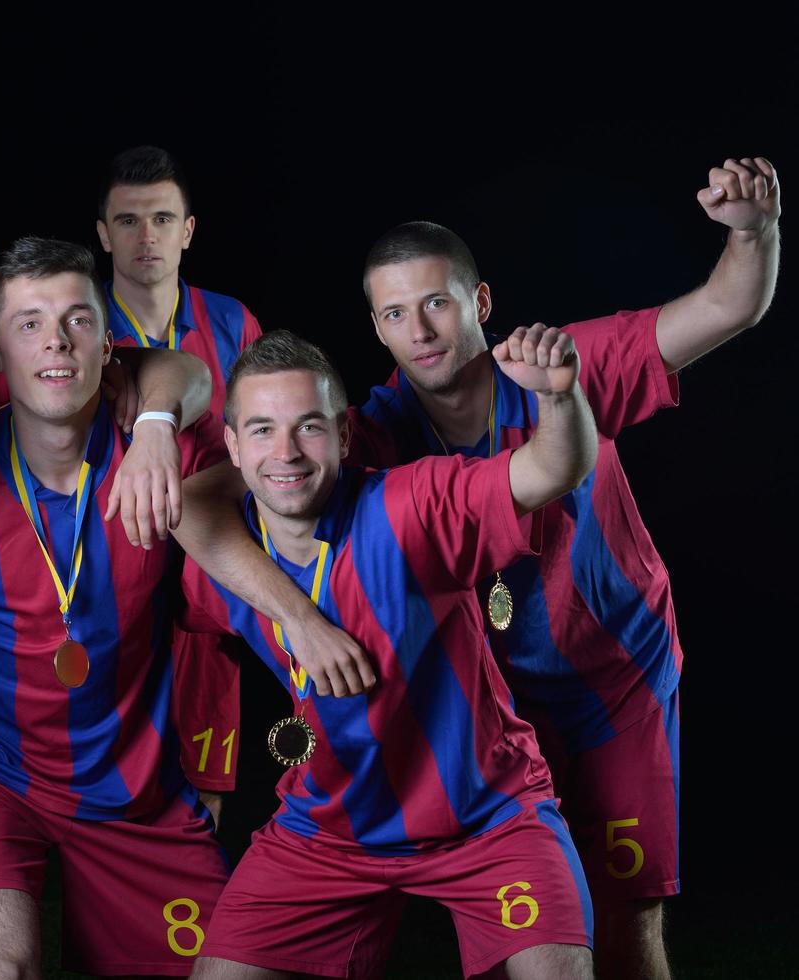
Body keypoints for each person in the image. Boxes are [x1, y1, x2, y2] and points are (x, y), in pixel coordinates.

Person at [346, 155, 779, 980]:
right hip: (491, 711)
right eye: (395, 313)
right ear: (377, 329)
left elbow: (728, 304)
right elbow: (264, 485)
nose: (420, 329)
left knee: (627, 915)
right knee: (528, 933)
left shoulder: (559, 362)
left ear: (478, 302)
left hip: (615, 680)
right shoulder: (368, 434)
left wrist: (752, 231)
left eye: (435, 302)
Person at [180, 328, 600, 979]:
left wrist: (558, 397)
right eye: (260, 429)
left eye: (309, 427)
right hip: (325, 832)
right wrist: (299, 618)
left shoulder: (412, 505)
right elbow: (186, 519)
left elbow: (550, 470)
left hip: (485, 817)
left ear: (344, 437)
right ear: (230, 447)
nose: (285, 452)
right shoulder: (217, 563)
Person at [0, 237, 227, 978]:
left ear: (108, 345)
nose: (56, 341)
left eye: (75, 320)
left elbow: (191, 376)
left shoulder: (163, 459)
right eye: (29, 323)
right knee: (2, 969)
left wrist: (158, 425)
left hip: (133, 789)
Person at [97, 146, 263, 818]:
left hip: (208, 572)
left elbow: (262, 440)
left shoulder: (231, 323)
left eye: (162, 219)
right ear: (103, 233)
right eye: (128, 221)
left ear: (187, 230)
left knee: (202, 795)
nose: (146, 237)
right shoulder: (75, 326)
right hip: (106, 574)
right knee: (109, 790)